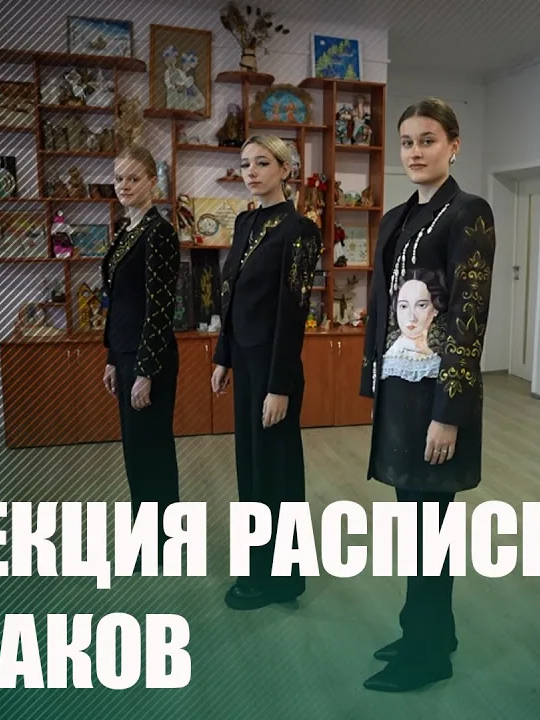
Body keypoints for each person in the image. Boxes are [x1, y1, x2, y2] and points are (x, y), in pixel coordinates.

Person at [358, 98, 497, 692]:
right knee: (414, 526)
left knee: (429, 532)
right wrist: (373, 379)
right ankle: (429, 631)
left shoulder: (469, 213)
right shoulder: (396, 217)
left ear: (454, 146)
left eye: (428, 140)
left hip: (438, 395)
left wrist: (449, 412)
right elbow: (380, 303)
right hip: (399, 387)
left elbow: (469, 316)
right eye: (407, 142)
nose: (415, 151)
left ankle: (428, 653)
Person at [211, 134, 322, 610]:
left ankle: (279, 580)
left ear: (285, 169)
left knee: (275, 474)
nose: (251, 172)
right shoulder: (245, 222)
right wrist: (223, 355)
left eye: (262, 163)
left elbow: (292, 313)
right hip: (245, 359)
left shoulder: (300, 230)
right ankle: (256, 567)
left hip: (275, 368)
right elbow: (231, 293)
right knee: (251, 470)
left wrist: (279, 385)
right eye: (245, 164)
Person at [101, 144, 182, 563]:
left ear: (153, 181)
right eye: (119, 178)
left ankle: (162, 540)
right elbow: (119, 301)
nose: (124, 186)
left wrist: (145, 371)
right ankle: (148, 536)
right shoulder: (127, 230)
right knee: (137, 451)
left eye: (134, 178)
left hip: (149, 357)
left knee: (151, 449)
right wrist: (111, 357)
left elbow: (159, 307)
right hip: (126, 353)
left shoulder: (159, 233)